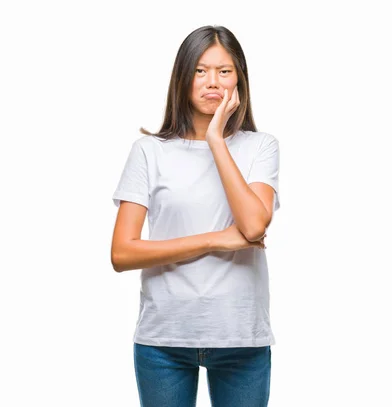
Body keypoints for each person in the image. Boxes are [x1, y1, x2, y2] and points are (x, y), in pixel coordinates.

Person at [110, 25, 279, 407]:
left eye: (225, 71)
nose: (212, 82)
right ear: (183, 78)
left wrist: (217, 140)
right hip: (164, 340)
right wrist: (214, 239)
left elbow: (253, 225)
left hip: (241, 337)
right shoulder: (149, 151)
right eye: (201, 71)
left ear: (239, 80)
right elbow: (122, 254)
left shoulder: (260, 147)